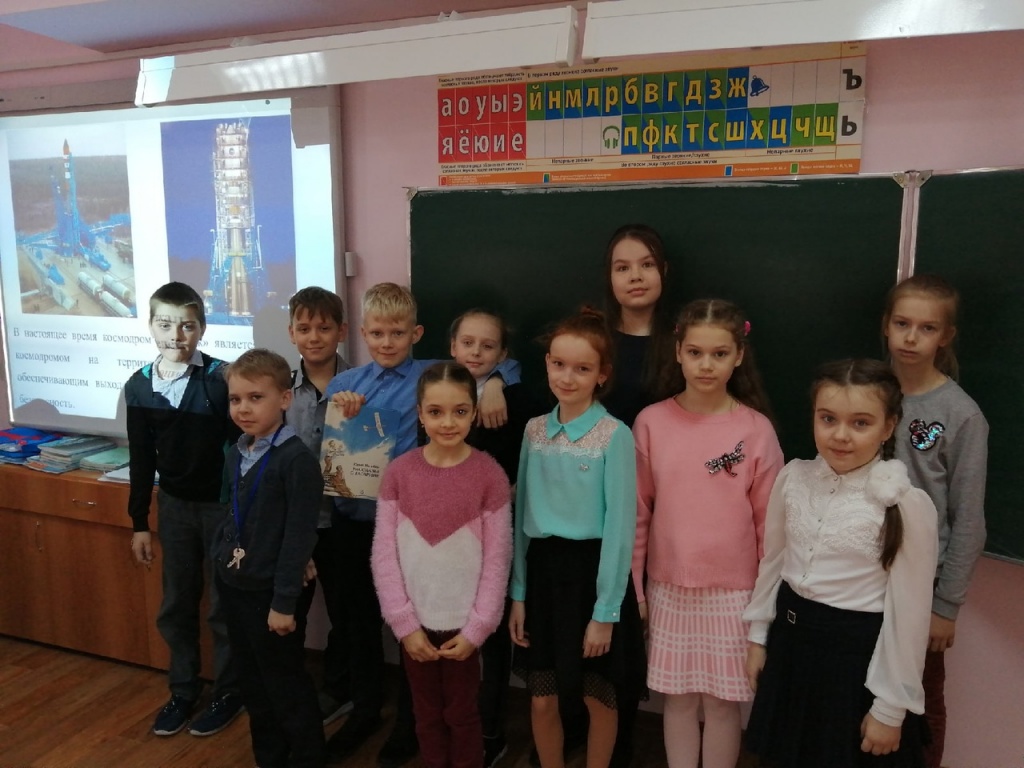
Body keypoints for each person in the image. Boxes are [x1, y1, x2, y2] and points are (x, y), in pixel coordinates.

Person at [323, 283, 518, 766]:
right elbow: (331, 443)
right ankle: (369, 714)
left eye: (398, 333)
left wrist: (498, 380)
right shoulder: (349, 384)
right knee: (363, 630)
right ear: (363, 333)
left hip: (425, 537)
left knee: (441, 675)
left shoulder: (433, 375)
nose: (387, 342)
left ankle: (409, 731)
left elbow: (486, 363)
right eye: (377, 334)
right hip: (357, 523)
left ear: (416, 333)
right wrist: (342, 407)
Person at [743, 359, 938, 767]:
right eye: (828, 418)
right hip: (791, 648)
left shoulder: (905, 504)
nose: (841, 435)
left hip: (855, 664)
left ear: (888, 427)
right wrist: (759, 637)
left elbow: (910, 615)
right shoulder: (793, 478)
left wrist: (890, 708)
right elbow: (773, 563)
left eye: (861, 423)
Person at [632, 299, 783, 768]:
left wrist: (765, 603)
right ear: (678, 351)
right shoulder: (651, 422)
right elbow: (637, 513)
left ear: (739, 356)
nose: (706, 365)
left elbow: (771, 528)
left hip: (735, 593)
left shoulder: (756, 430)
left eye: (719, 354)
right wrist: (636, 589)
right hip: (668, 586)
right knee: (676, 700)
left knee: (722, 704)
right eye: (695, 352)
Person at [509, 308, 646, 768]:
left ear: (601, 374)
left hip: (593, 577)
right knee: (542, 698)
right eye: (559, 364)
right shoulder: (533, 431)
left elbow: (620, 527)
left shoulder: (614, 436)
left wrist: (605, 612)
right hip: (544, 576)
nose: (567, 377)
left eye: (582, 368)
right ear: (547, 363)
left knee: (598, 696)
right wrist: (519, 594)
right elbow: (521, 518)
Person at [372, 361, 513, 768]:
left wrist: (478, 627)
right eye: (436, 412)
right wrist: (404, 624)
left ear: (474, 412)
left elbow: (497, 560)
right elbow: (384, 555)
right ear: (420, 413)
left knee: (462, 715)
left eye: (459, 411)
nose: (448, 422)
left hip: (463, 630)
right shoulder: (399, 473)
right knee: (427, 715)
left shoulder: (489, 476)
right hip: (415, 627)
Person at [125, 281, 244, 738]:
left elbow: (244, 449)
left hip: (219, 510)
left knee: (223, 605)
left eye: (187, 325)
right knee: (176, 603)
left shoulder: (220, 379)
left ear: (202, 328)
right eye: (165, 324)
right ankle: (183, 691)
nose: (176, 335)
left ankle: (229, 691)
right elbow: (141, 458)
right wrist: (139, 522)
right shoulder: (139, 386)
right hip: (173, 510)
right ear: (150, 326)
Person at [882, 274, 989, 768]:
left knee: (920, 697)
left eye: (926, 328)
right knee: (862, 692)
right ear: (886, 325)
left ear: (945, 337)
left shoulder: (961, 415)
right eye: (902, 323)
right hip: (859, 574)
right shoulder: (865, 391)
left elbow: (968, 519)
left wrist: (946, 605)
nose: (911, 337)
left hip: (921, 585)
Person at [214, 348, 325, 768]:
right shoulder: (236, 452)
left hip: (272, 593)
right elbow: (231, 515)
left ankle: (309, 759)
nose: (243, 408)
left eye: (255, 398)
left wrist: (283, 602)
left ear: (284, 399)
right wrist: (222, 558)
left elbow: (298, 536)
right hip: (236, 583)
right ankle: (270, 758)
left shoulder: (296, 461)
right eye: (235, 399)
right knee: (253, 684)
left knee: (285, 684)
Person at [449, 310, 540, 768]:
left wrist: (500, 382)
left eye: (488, 346)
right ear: (452, 347)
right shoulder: (436, 391)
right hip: (444, 538)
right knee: (449, 629)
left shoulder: (515, 400)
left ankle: (490, 731)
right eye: (467, 343)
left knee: (491, 636)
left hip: (495, 537)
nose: (476, 352)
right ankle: (455, 724)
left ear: (503, 354)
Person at [284, 286, 354, 726]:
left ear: (342, 331)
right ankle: (292, 693)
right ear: (291, 333)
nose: (314, 337)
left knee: (346, 614)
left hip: (345, 522)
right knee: (290, 610)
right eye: (305, 328)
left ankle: (339, 690)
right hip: (296, 524)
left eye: (324, 328)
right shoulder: (281, 391)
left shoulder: (362, 387)